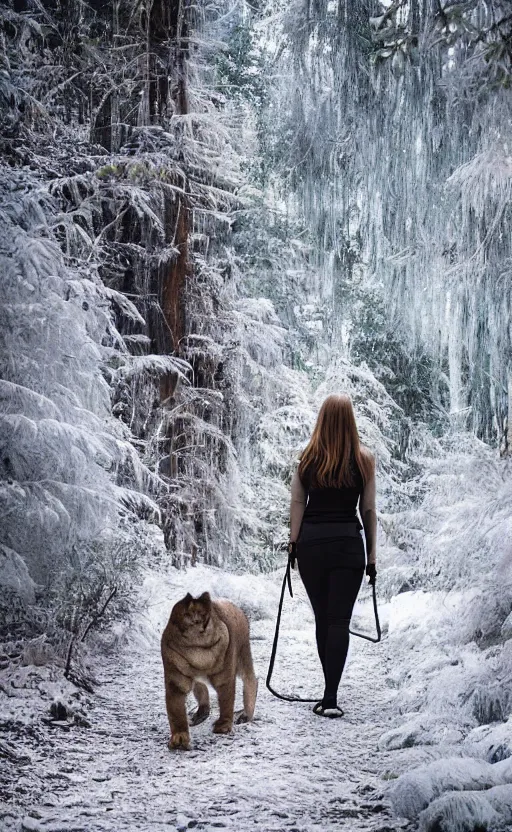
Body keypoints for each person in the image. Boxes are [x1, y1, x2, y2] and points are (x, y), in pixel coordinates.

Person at [288, 393, 377, 718]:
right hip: (347, 546)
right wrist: (372, 557)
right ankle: (330, 697)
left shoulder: (307, 459)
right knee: (339, 620)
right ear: (350, 421)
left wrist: (293, 543)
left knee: (323, 618)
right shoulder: (364, 460)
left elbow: (298, 503)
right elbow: (367, 511)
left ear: (322, 419)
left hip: (312, 545)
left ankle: (328, 692)